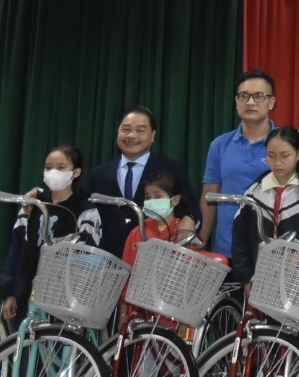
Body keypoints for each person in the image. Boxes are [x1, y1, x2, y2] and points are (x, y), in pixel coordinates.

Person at [82, 106, 199, 258]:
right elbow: (84, 206)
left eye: (140, 130)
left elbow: (191, 207)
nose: (132, 135)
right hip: (107, 258)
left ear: (153, 135)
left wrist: (189, 219)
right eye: (126, 129)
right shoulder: (99, 173)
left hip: (154, 258)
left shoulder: (172, 169)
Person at [230, 127, 299, 289]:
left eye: (285, 156)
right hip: (260, 283)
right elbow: (240, 241)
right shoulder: (254, 192)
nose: (278, 162)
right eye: (271, 156)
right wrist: (247, 278)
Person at [2, 145, 87, 323]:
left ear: (76, 172)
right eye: (49, 167)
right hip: (27, 293)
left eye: (61, 167)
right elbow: (16, 249)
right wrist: (9, 292)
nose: (53, 172)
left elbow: (88, 257)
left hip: (64, 301)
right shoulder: (32, 205)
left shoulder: (85, 210)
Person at [202, 69, 277, 257]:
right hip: (227, 249)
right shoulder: (219, 145)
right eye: (244, 96)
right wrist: (200, 242)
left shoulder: (287, 145)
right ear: (236, 102)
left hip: (272, 251)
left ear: (271, 102)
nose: (250, 102)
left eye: (258, 96)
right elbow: (209, 198)